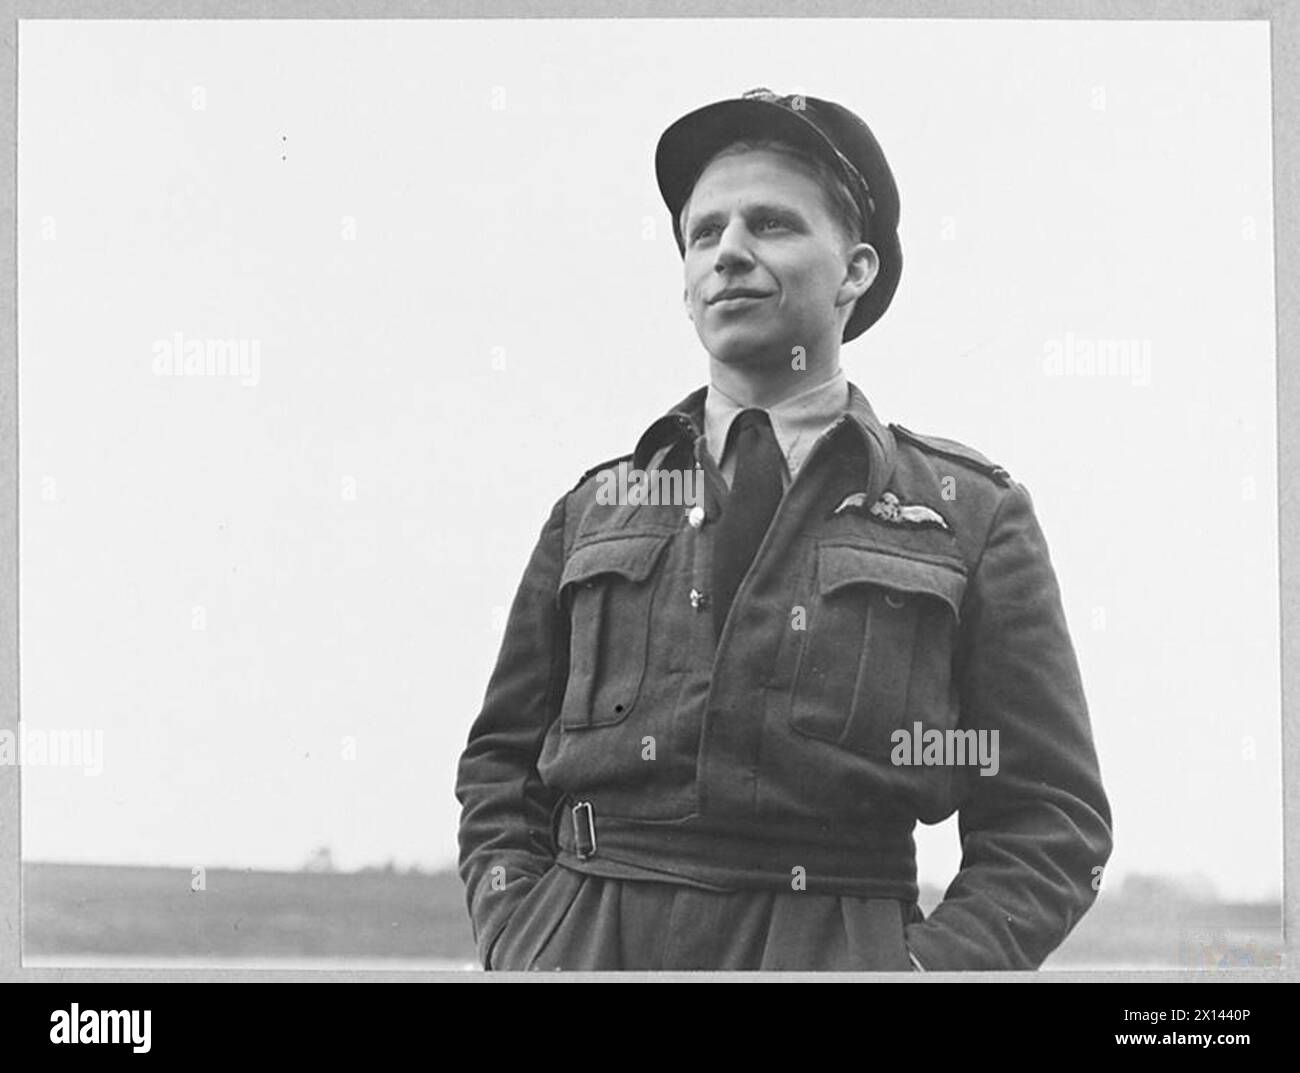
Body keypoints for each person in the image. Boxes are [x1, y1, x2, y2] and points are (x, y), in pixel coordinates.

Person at [454, 87, 1113, 971]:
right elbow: (500, 765)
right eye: (704, 233)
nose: (729, 252)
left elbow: (1051, 814)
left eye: (770, 224)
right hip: (591, 937)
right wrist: (521, 940)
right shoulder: (597, 508)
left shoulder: (969, 515)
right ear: (686, 286)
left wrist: (925, 972)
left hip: (830, 942)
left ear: (855, 271)